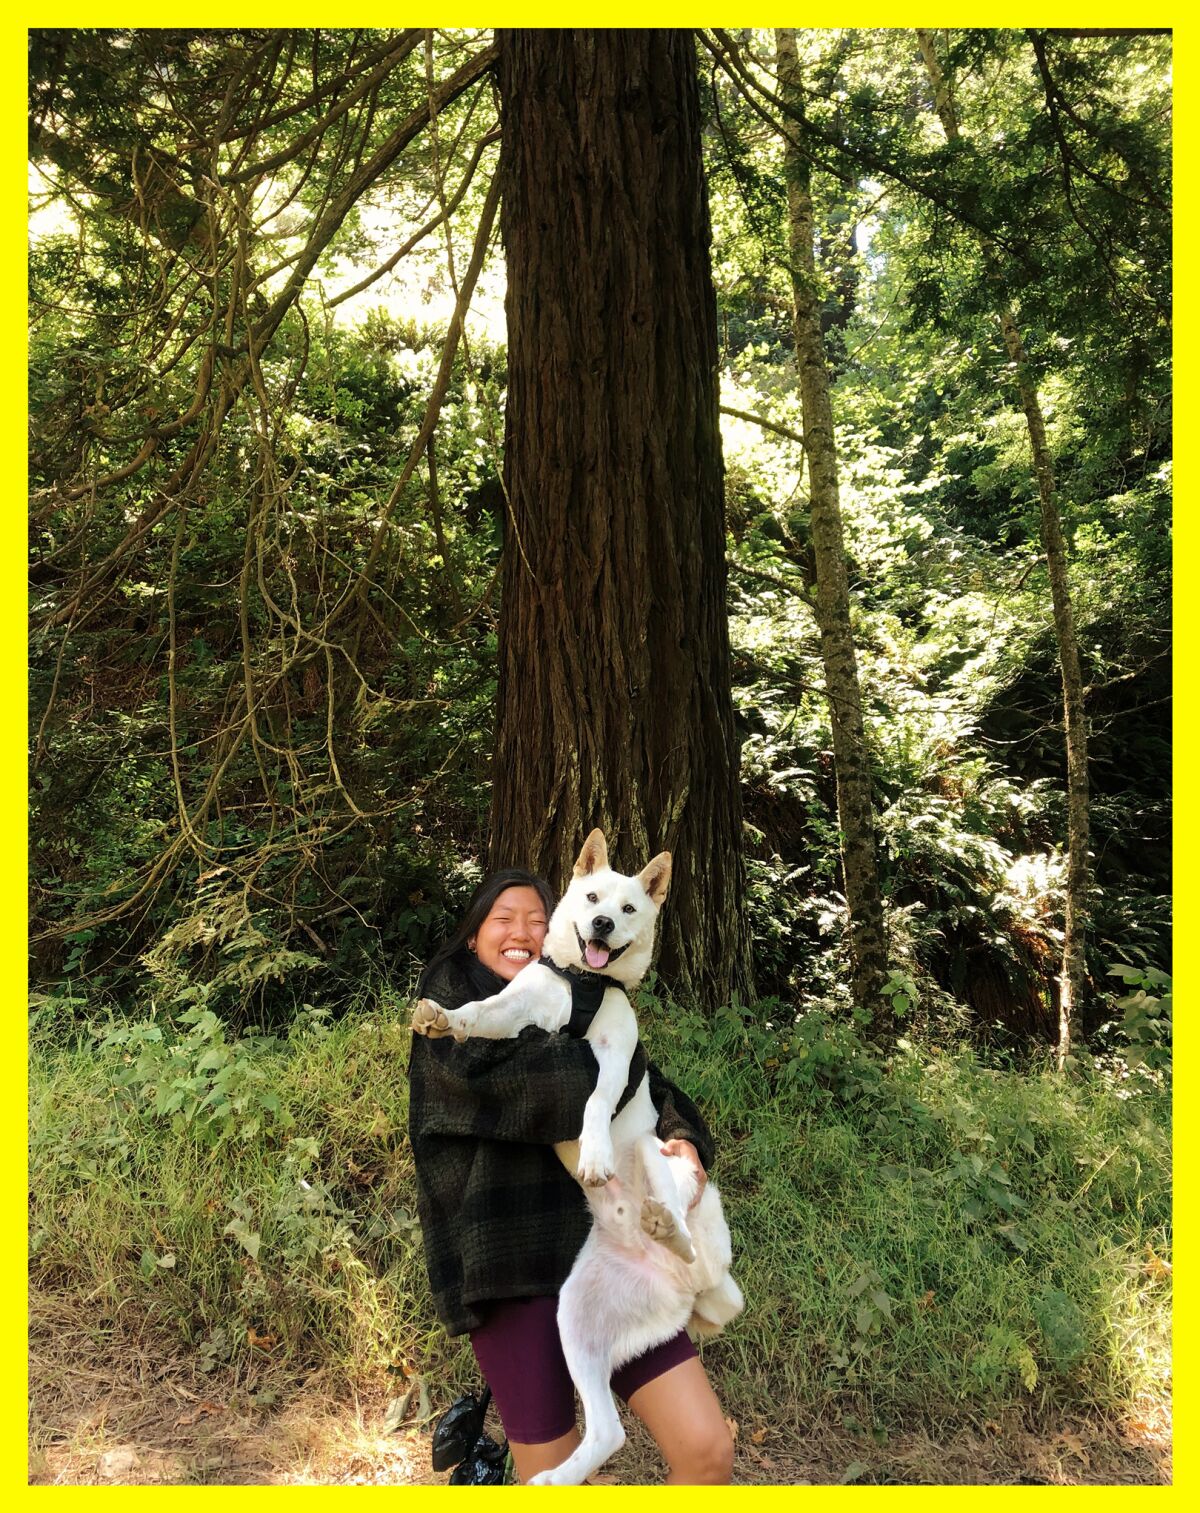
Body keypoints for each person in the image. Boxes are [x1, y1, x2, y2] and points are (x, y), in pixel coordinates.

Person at [407, 867, 735, 1485]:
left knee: (707, 1450)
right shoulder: (448, 1010)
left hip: (613, 1260)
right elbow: (542, 1090)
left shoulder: (580, 996)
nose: (523, 933)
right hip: (510, 1265)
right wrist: (605, 1050)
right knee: (555, 1477)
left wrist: (684, 1141)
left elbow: (653, 1088)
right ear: (474, 935)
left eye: (537, 919)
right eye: (503, 919)